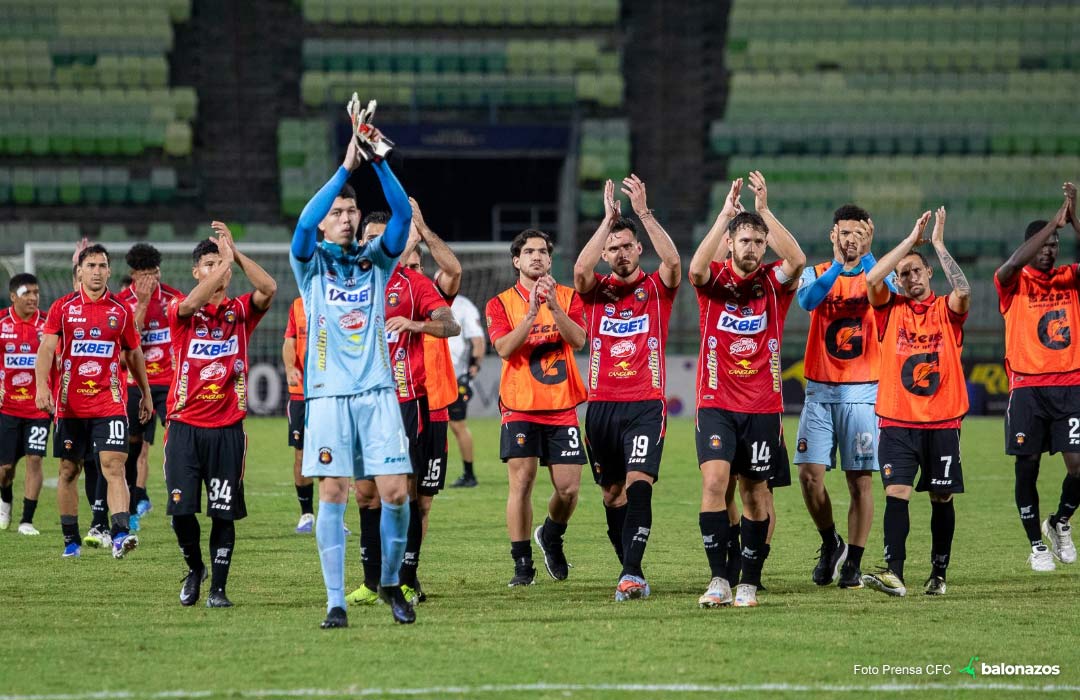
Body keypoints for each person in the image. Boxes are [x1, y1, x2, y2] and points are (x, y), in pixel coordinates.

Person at [290, 126, 416, 627]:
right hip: (326, 396)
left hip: (378, 392)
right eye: (336, 214)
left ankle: (389, 583)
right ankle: (335, 601)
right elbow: (302, 223)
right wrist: (346, 166)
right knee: (333, 495)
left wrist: (379, 159)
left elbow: (403, 215)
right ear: (325, 224)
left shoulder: (376, 262)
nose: (344, 219)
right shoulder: (311, 263)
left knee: (396, 495)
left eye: (350, 212)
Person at [689, 172, 805, 608]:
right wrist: (724, 217)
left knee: (756, 494)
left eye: (760, 241)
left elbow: (797, 260)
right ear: (732, 245)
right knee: (716, 481)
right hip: (716, 401)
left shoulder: (774, 285)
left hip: (763, 406)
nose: (753, 248)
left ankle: (748, 582)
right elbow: (696, 268)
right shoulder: (715, 283)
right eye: (746, 241)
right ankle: (719, 578)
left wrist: (764, 210)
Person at [573, 175, 680, 601]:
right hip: (600, 406)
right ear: (606, 254)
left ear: (638, 250)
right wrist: (608, 220)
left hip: (645, 404)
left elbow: (674, 264)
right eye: (612, 248)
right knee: (611, 493)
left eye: (626, 246)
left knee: (639, 482)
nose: (619, 254)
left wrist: (643, 215)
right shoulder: (596, 292)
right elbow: (580, 270)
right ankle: (628, 569)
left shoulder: (656, 289)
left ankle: (632, 573)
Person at [348, 206, 459, 607]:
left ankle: (404, 578)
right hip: (357, 403)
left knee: (406, 494)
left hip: (404, 404)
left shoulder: (412, 283)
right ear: (362, 241)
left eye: (386, 238)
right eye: (372, 238)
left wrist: (417, 325)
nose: (379, 244)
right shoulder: (343, 281)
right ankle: (370, 580)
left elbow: (451, 324)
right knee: (364, 495)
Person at [165, 224, 276, 607]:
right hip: (183, 426)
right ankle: (195, 568)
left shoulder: (240, 312)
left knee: (223, 512)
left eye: (221, 265)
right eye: (209, 264)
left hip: (227, 427)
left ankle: (218, 590)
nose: (218, 271)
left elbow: (269, 289)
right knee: (181, 510)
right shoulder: (180, 310)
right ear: (196, 272)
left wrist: (236, 254)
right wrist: (222, 261)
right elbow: (190, 305)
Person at [862, 207, 969, 597]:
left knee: (942, 496)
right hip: (897, 419)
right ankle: (895, 573)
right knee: (897, 494)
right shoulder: (889, 311)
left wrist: (937, 243)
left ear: (929, 274)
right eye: (903, 273)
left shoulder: (946, 310)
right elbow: (872, 278)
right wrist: (909, 241)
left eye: (916, 270)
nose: (910, 277)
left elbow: (964, 292)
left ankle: (938, 574)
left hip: (942, 420)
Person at [794, 205, 897, 589]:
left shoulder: (878, 272)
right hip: (819, 390)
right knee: (809, 476)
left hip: (863, 390)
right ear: (832, 235)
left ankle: (853, 561)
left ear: (867, 235)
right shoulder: (817, 272)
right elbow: (807, 302)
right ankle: (830, 542)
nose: (850, 238)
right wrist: (839, 265)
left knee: (860, 481)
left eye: (857, 232)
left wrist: (868, 257)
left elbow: (886, 296)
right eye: (844, 232)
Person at [35, 243, 154, 558]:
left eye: (102, 266)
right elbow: (47, 349)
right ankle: (71, 540)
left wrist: (144, 392)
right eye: (91, 266)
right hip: (71, 406)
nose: (97, 272)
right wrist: (41, 387)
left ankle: (119, 535)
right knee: (68, 471)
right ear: (80, 271)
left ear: (110, 271)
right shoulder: (63, 308)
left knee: (113, 466)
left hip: (109, 403)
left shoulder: (120, 310)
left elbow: (133, 352)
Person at [486, 228, 588, 587]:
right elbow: (502, 348)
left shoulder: (569, 297)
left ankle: (552, 536)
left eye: (543, 251)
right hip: (520, 406)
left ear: (550, 258)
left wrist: (554, 308)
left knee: (569, 489)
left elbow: (579, 340)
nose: (537, 257)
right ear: (517, 261)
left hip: (561, 406)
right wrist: (529, 316)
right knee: (522, 482)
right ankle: (522, 563)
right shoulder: (499, 304)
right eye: (529, 252)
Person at [996, 184, 1080, 571]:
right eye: (1044, 243)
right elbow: (1011, 264)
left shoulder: (1071, 279)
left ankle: (1059, 522)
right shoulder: (1013, 283)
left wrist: (1072, 217)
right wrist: (1052, 223)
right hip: (1027, 388)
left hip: (1071, 386)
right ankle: (1036, 544)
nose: (1050, 249)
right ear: (1032, 245)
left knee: (1078, 465)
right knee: (1026, 464)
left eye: (1055, 243)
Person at [116, 243, 182, 531]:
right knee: (131, 448)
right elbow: (125, 348)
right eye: (144, 275)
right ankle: (131, 508)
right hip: (134, 384)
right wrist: (141, 305)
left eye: (154, 273)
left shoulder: (174, 298)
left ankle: (180, 506)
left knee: (179, 444)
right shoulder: (121, 303)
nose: (151, 280)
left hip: (169, 383)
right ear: (133, 275)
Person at [0, 274, 50, 535]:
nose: (33, 297)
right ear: (13, 296)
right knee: (5, 470)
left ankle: (26, 521)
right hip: (7, 409)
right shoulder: (1, 323)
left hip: (39, 409)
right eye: (26, 292)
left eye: (36, 292)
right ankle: (5, 499)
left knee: (35, 459)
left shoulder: (48, 325)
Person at [283, 296, 315, 534]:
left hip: (333, 392)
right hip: (301, 393)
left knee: (336, 455)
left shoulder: (341, 301)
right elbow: (289, 340)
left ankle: (336, 517)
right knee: (301, 456)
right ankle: (306, 513)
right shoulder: (297, 304)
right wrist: (289, 366)